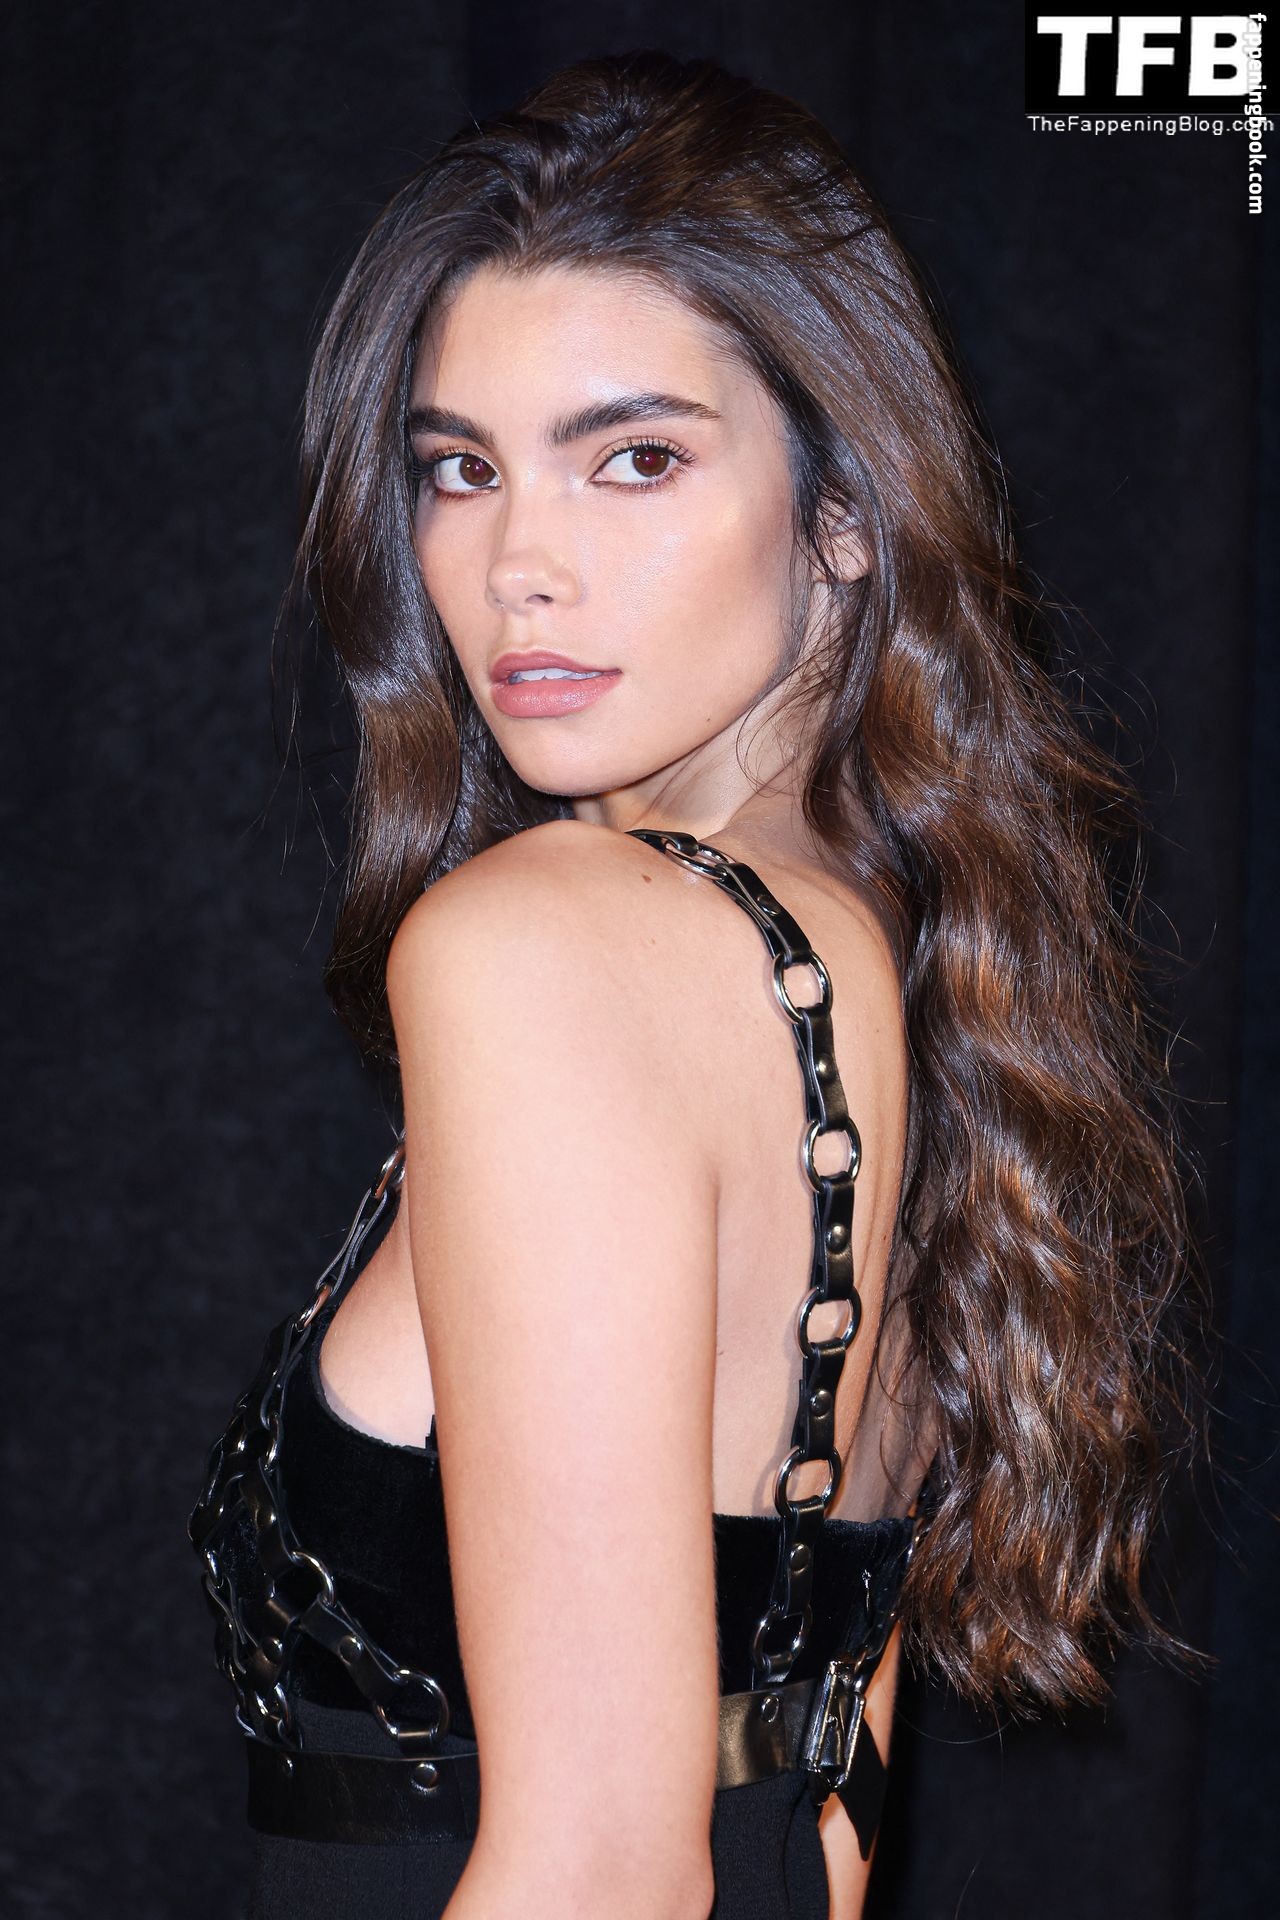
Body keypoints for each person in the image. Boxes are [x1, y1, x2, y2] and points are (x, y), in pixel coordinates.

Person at [188, 49, 1205, 1920]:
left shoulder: (544, 939)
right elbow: (820, 1808)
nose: (518, 563)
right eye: (460, 470)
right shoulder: (885, 961)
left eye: (635, 458)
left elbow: (602, 1868)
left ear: (842, 511)